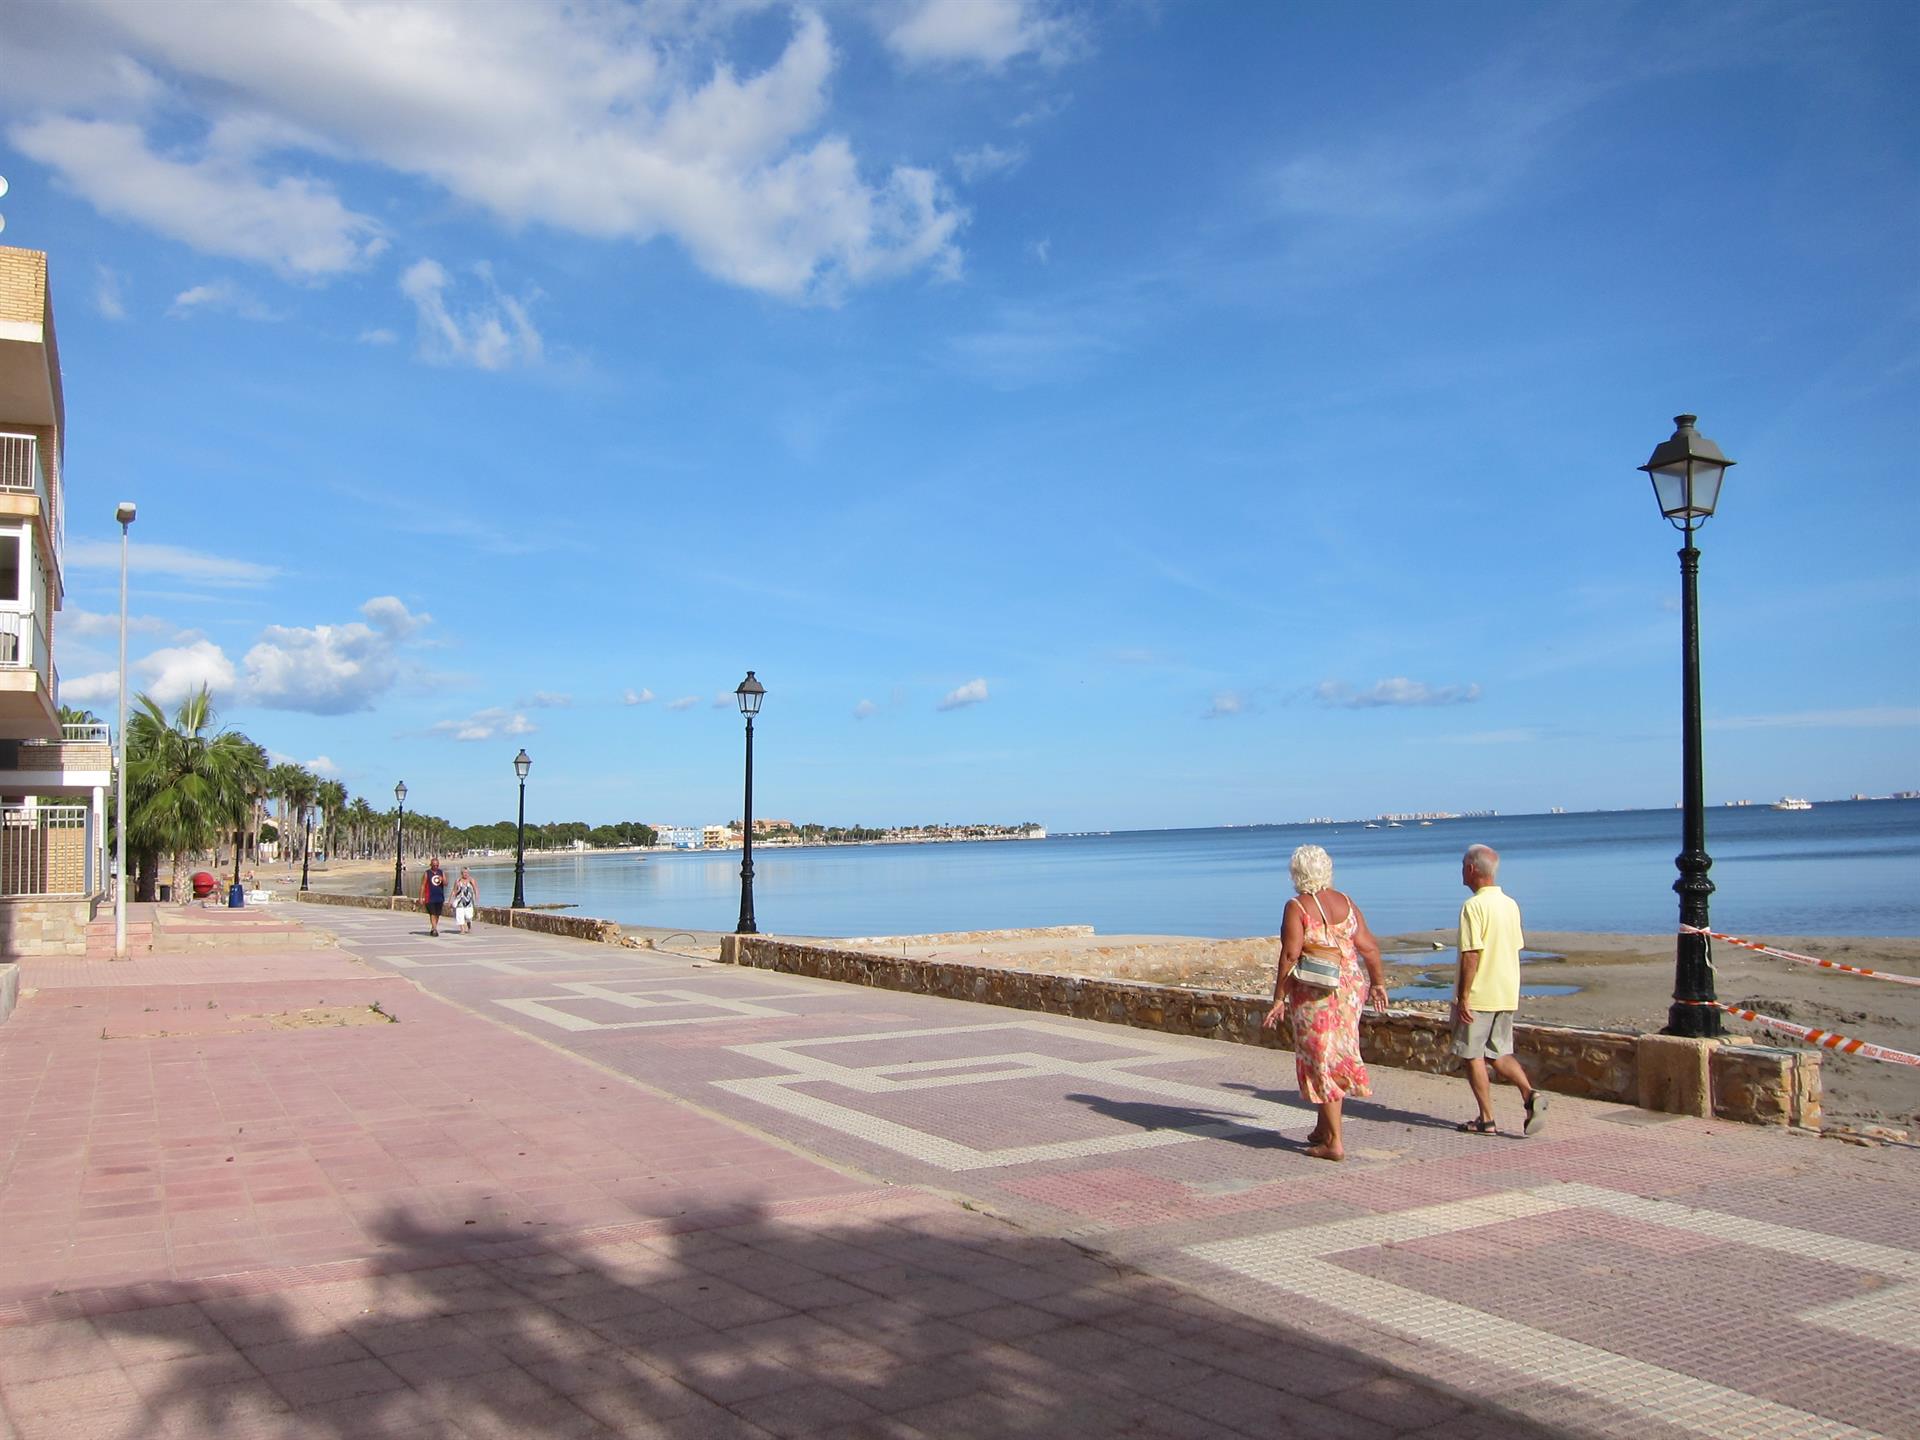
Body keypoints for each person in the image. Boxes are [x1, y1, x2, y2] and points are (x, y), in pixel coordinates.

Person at [1262, 844, 1389, 1162]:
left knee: (1322, 1060)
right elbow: (1368, 947)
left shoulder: (1297, 907)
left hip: (1317, 993)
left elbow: (1291, 954)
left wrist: (1279, 997)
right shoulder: (1346, 903)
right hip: (1349, 989)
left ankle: (1335, 1143)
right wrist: (1378, 983)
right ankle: (1322, 1128)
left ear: (1296, 874)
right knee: (1338, 1053)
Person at [1452, 844, 1547, 1136]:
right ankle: (1530, 1094)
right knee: (1499, 1053)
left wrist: (1464, 996)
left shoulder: (1473, 907)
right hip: (1506, 991)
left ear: (1471, 869)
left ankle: (1487, 1118)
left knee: (1473, 1055)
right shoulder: (1510, 904)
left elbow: (1472, 954)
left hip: (1481, 992)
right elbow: (1514, 946)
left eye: (1463, 866)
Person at [420, 856, 448, 937]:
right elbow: (422, 885)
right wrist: (421, 898)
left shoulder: (441, 872)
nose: (435, 867)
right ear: (431, 865)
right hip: (430, 897)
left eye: (437, 865)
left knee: (437, 914)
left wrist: (442, 879)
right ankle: (435, 929)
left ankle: (433, 928)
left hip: (439, 896)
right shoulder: (427, 873)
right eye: (434, 865)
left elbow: (446, 884)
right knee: (432, 913)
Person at [453, 867, 479, 934]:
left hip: (469, 901)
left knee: (469, 916)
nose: (466, 874)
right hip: (460, 901)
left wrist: (476, 898)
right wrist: (452, 899)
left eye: (467, 872)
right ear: (461, 873)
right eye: (464, 872)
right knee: (460, 915)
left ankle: (469, 926)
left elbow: (475, 889)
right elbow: (454, 890)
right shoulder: (458, 880)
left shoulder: (471, 880)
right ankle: (462, 930)